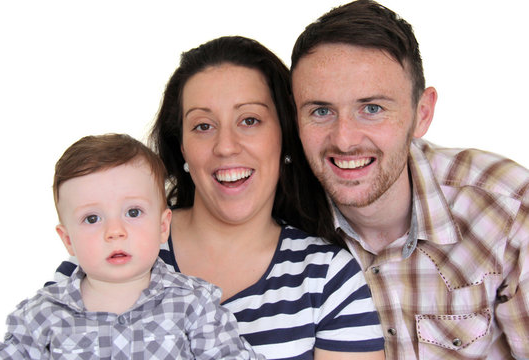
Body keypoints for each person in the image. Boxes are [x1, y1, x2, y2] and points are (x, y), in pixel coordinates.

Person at [51, 37, 384, 359]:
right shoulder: (106, 253)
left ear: (284, 135)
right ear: (181, 146)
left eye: (249, 120)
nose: (226, 146)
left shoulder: (327, 278)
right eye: (203, 126)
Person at [290, 0, 529, 359]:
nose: (344, 139)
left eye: (372, 108)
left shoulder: (506, 208)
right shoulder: (279, 219)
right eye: (321, 111)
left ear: (422, 113)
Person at [0, 133, 263, 359]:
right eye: (92, 218)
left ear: (162, 226)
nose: (115, 232)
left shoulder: (193, 305)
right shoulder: (43, 314)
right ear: (68, 240)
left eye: (133, 212)